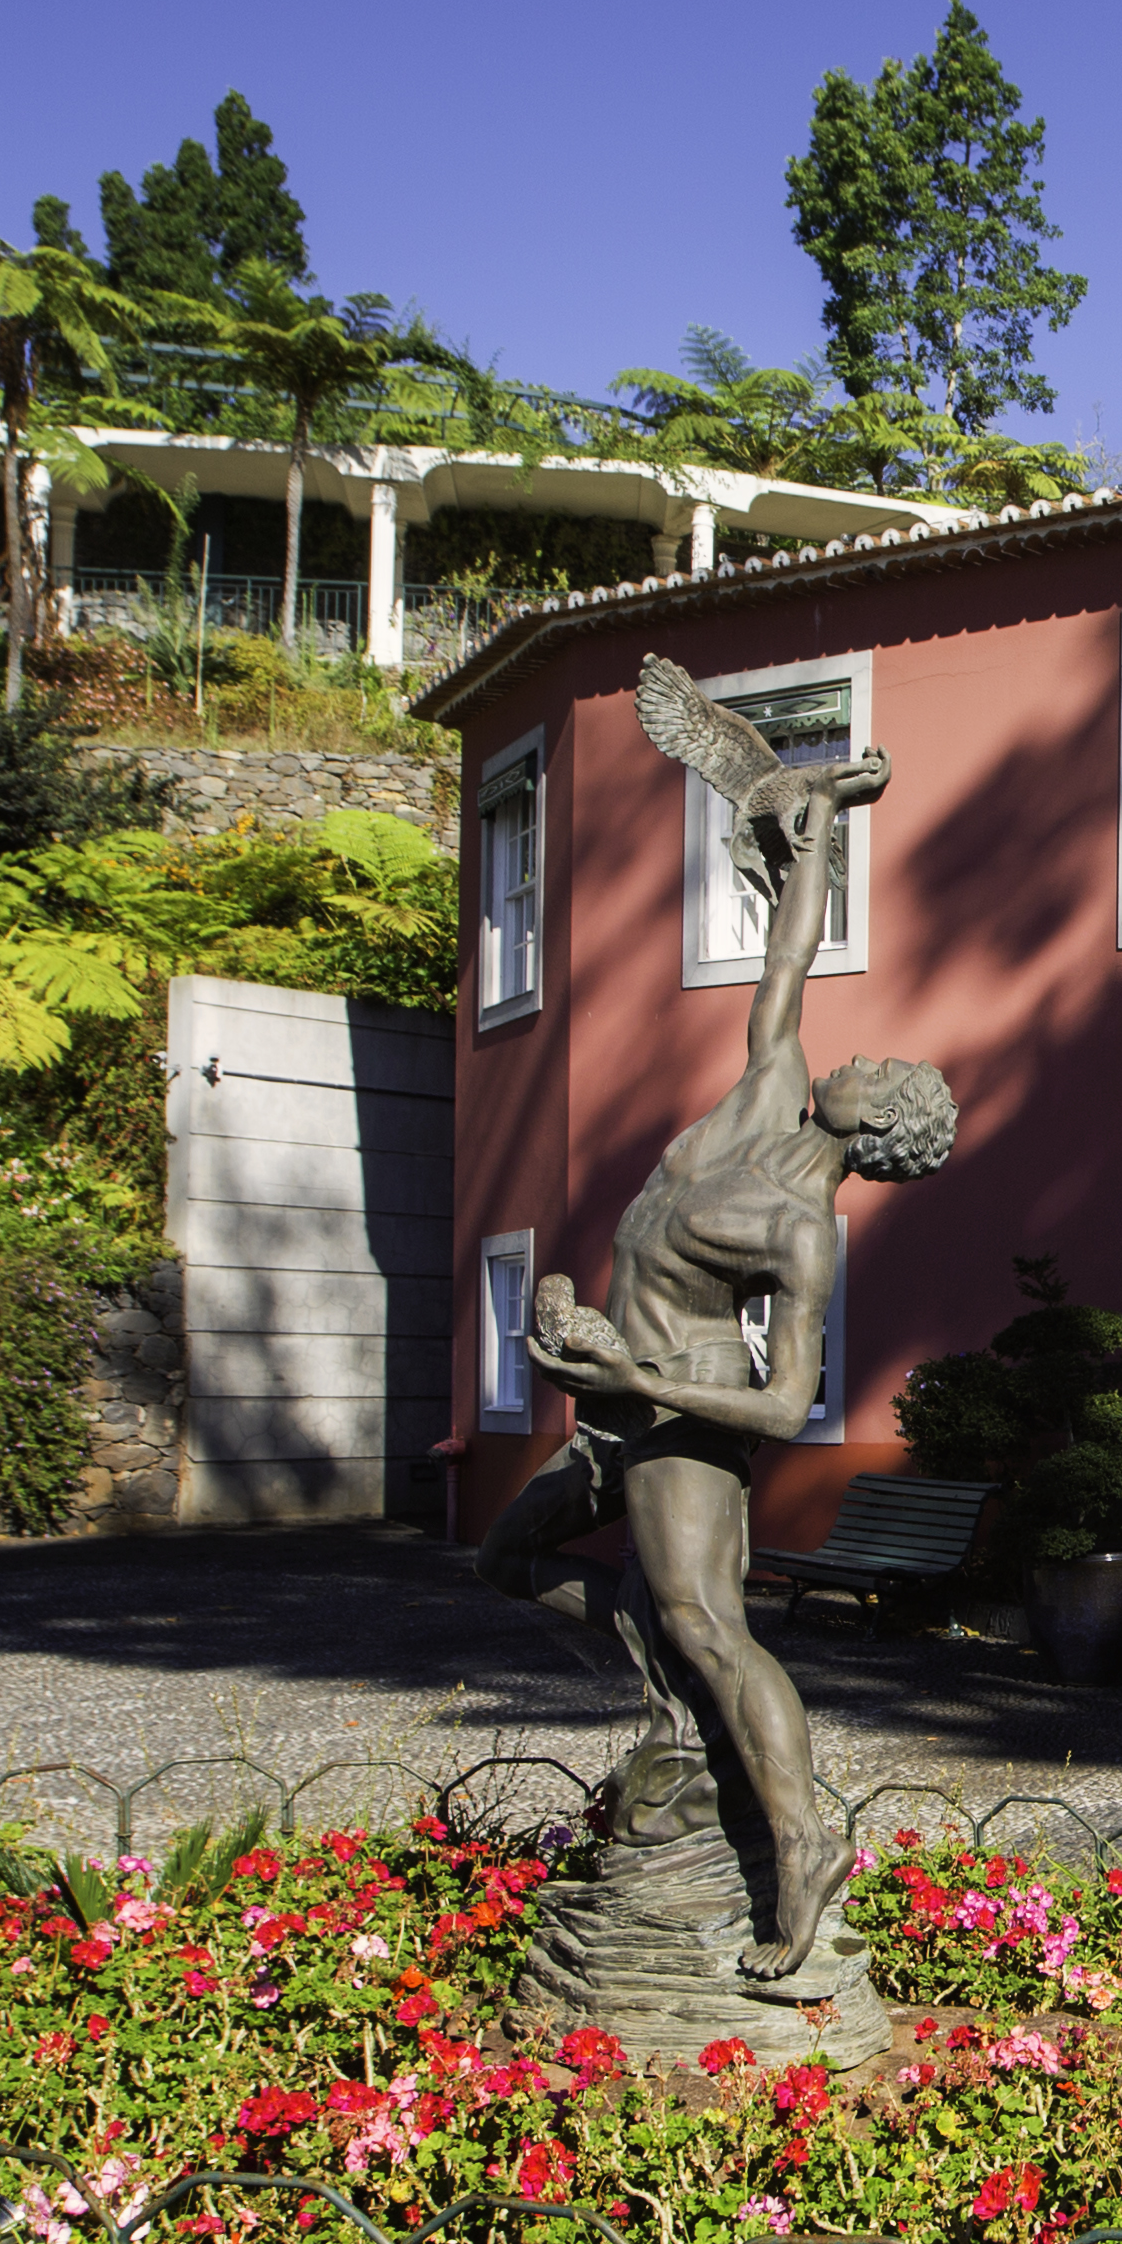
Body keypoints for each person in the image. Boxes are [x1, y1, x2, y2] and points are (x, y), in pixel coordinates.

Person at [479, 744, 952, 1979]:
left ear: (879, 1125)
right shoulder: (765, 1097)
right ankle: (665, 1689)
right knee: (511, 1558)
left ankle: (799, 1845)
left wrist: (634, 1383)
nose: (863, 1060)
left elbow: (786, 1400)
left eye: (884, 1073)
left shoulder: (804, 1235)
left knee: (714, 1625)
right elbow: (786, 958)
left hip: (676, 1413)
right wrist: (823, 836)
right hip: (615, 1396)